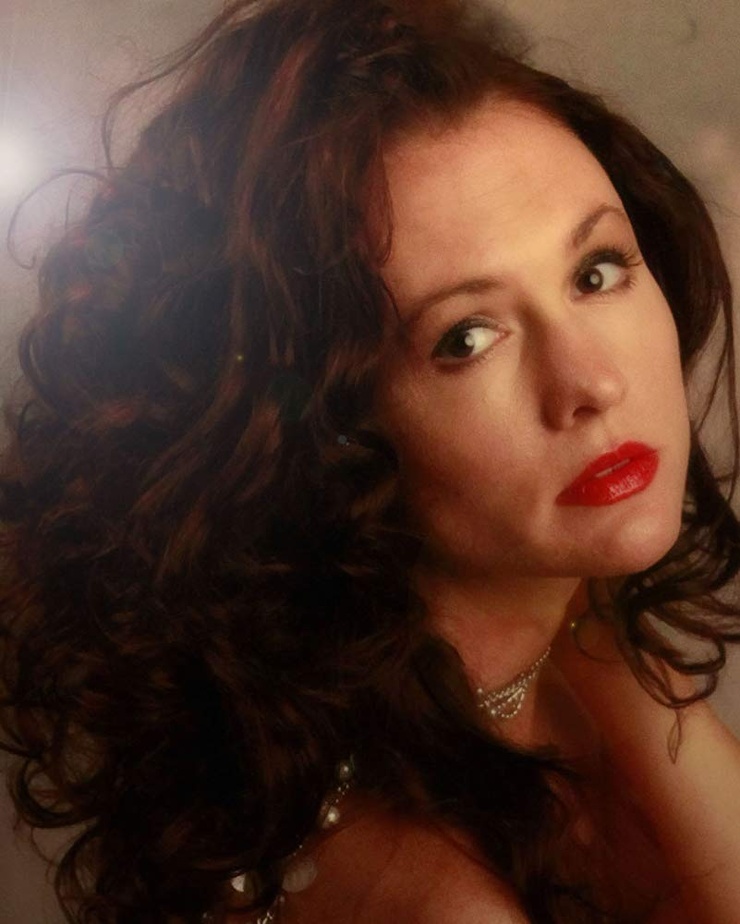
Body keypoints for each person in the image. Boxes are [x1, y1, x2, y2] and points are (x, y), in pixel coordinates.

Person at [2, 0, 740, 921]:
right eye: (466, 337)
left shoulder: (576, 652)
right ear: (328, 432)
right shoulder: (434, 898)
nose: (593, 382)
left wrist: (620, 666)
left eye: (596, 272)